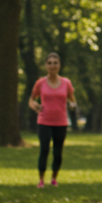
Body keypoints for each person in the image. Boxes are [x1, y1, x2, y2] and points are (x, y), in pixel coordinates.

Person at [28, 52, 77, 188]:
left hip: (61, 122)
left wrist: (73, 105)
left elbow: (72, 99)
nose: (52, 65)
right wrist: (36, 106)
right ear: (46, 65)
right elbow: (31, 100)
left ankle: (54, 178)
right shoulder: (41, 83)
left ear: (59, 65)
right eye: (49, 63)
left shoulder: (66, 83)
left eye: (55, 63)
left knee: (57, 152)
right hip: (44, 121)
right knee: (44, 150)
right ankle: (41, 179)